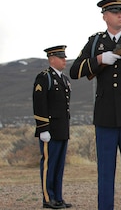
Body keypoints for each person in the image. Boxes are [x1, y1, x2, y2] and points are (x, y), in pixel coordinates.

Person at [69, 0, 121, 210]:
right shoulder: (96, 42)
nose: (120, 14)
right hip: (105, 116)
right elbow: (75, 70)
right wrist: (99, 60)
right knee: (105, 172)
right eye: (114, 11)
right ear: (105, 16)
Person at [33, 45, 72, 209]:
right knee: (49, 165)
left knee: (59, 166)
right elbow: (39, 104)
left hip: (62, 129)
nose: (64, 60)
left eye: (64, 57)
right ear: (51, 59)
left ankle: (58, 197)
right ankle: (48, 198)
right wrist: (43, 128)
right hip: (49, 130)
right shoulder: (44, 77)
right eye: (61, 57)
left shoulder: (64, 79)